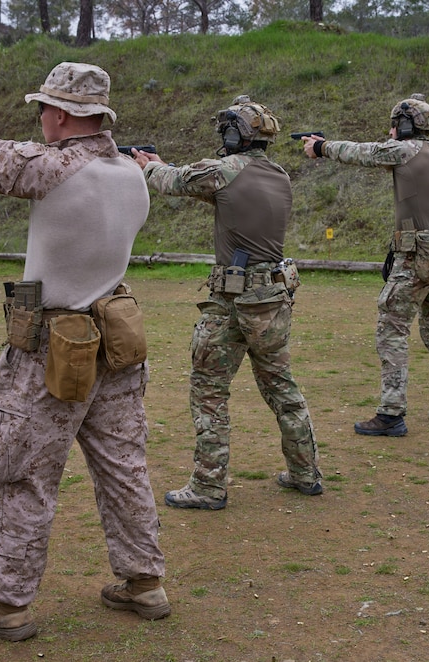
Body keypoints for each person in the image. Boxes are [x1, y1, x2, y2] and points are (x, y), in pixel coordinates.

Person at [0, 62, 169, 641]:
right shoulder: (130, 172)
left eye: (44, 110)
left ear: (60, 114)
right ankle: (144, 581)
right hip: (117, 341)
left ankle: (7, 606)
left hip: (54, 346)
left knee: (19, 474)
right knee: (123, 469)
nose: (40, 120)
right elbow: (11, 155)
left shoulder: (55, 168)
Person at [131, 95, 323, 511]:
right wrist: (159, 164)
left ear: (236, 132)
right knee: (281, 387)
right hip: (272, 297)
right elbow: (220, 195)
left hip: (233, 299)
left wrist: (148, 166)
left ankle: (208, 485)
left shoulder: (223, 170)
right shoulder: (278, 175)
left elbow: (175, 182)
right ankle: (306, 472)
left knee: (209, 389)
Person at [301, 94, 429, 437]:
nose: (391, 130)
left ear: (406, 125)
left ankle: (391, 412)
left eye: (396, 124)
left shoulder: (407, 151)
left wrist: (321, 147)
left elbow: (363, 153)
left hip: (416, 255)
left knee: (391, 328)